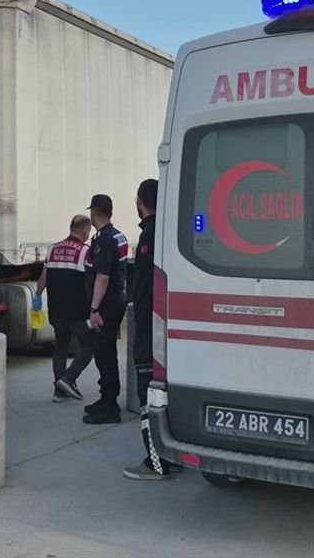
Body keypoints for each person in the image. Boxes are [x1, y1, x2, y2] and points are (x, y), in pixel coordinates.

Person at [122, 179, 177, 479]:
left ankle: (156, 463)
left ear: (140, 202)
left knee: (148, 397)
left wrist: (141, 330)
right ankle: (172, 454)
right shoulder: (166, 232)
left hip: (149, 330)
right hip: (166, 329)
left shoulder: (149, 237)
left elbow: (143, 292)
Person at [33, 215, 96, 403]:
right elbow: (91, 282)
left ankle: (59, 392)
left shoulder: (52, 249)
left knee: (60, 348)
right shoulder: (86, 251)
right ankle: (68, 379)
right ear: (85, 232)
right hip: (76, 311)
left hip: (56, 311)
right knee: (90, 345)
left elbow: (43, 278)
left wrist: (37, 297)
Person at [82, 194, 130, 425]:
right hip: (115, 300)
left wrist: (94, 309)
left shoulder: (103, 240)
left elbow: (102, 277)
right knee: (107, 354)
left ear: (94, 212)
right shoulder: (117, 235)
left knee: (105, 356)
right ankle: (106, 399)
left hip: (105, 305)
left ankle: (110, 406)